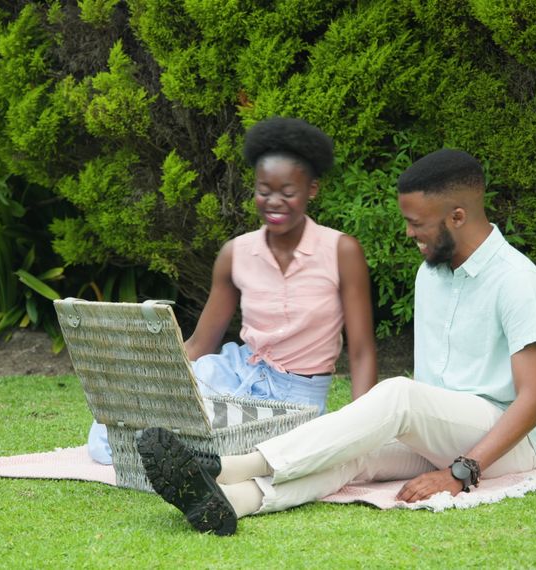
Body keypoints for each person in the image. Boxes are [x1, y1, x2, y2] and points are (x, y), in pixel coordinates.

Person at [136, 148, 536, 536]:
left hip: (509, 442)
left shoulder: (519, 283)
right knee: (357, 450)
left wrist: (462, 471)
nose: (410, 233)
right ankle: (234, 501)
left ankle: (226, 467)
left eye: (417, 223)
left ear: (457, 216)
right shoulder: (430, 274)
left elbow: (532, 401)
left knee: (398, 395)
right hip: (439, 429)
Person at [86, 117, 378, 464]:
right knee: (106, 432)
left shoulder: (342, 251)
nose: (274, 202)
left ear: (311, 189)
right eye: (263, 191)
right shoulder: (236, 253)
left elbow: (361, 351)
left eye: (288, 192)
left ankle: (190, 459)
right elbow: (200, 344)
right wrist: (149, 384)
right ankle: (175, 456)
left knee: (250, 454)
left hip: (297, 397)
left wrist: (364, 432)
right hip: (236, 371)